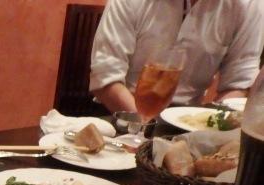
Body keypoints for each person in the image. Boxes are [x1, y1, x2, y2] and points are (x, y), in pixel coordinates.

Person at [90, 0, 264, 113]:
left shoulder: (249, 5)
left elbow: (237, 84)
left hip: (186, 123)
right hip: (119, 113)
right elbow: (105, 78)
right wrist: (145, 126)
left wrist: (207, 128)